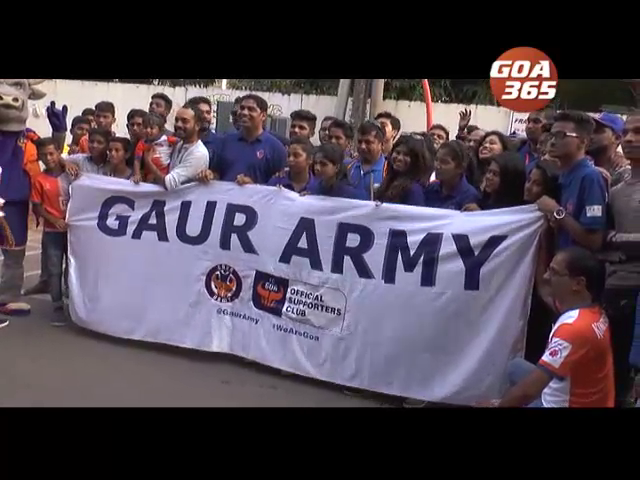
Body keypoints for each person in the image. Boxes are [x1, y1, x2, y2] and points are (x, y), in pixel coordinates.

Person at [480, 247, 614, 408]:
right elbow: (543, 289)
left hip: (564, 404)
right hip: (580, 393)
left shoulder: (574, 329)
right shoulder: (590, 310)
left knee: (516, 393)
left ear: (578, 284)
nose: (546, 276)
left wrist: (498, 405)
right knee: (514, 367)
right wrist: (542, 237)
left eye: (553, 272)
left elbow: (528, 392)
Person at [601, 112, 640, 407]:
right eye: (626, 132)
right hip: (613, 291)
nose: (629, 138)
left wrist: (614, 240)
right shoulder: (615, 189)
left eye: (638, 132)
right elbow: (599, 239)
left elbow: (608, 238)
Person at [536, 111, 607, 252]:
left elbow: (594, 241)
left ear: (583, 141)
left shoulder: (590, 177)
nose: (553, 141)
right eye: (552, 136)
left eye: (561, 135)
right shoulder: (560, 175)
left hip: (578, 268)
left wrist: (556, 212)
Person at [522, 160, 561, 364]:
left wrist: (545, 294)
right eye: (529, 180)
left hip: (538, 299)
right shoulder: (521, 215)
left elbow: (542, 264)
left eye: (537, 184)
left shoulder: (547, 223)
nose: (529, 187)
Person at [31, 138, 71, 326]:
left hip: (73, 233)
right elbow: (38, 208)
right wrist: (55, 220)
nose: (48, 158)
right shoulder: (40, 180)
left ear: (58, 153)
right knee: (54, 270)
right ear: (39, 157)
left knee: (72, 269)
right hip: (52, 232)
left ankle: (73, 303)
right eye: (44, 155)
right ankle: (57, 306)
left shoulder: (72, 175)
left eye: (52, 153)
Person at [209, 94, 287, 185]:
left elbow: (279, 186)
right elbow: (216, 173)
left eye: (251, 109)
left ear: (263, 116)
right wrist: (209, 175)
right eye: (242, 108)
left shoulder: (276, 148)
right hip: (226, 198)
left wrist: (253, 186)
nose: (244, 113)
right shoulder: (224, 142)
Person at [144, 104, 209, 191]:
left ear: (197, 125)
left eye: (184, 121)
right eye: (176, 120)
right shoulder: (179, 144)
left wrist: (148, 162)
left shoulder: (198, 153)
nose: (178, 124)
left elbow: (168, 183)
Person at [424, 140, 480, 210]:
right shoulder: (431, 188)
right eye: (436, 160)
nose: (437, 166)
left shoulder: (469, 195)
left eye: (444, 162)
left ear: (460, 168)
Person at [375, 135, 429, 206]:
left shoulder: (414, 190)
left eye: (406, 155)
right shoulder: (388, 182)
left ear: (416, 160)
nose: (399, 158)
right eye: (397, 152)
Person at [587, 112, 630, 189]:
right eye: (588, 130)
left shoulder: (624, 173)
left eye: (597, 131)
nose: (590, 135)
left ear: (617, 138)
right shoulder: (578, 163)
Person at [133, 112, 179, 183]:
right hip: (149, 174)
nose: (148, 130)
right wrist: (137, 174)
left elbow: (182, 142)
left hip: (166, 173)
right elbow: (137, 160)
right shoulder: (142, 143)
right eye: (145, 127)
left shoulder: (167, 139)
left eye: (152, 128)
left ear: (160, 130)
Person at [347, 121, 387, 200]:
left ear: (381, 145)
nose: (362, 146)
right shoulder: (347, 167)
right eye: (359, 142)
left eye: (368, 142)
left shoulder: (388, 171)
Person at [185, 96, 221, 166]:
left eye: (208, 113)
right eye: (200, 112)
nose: (205, 116)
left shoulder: (219, 143)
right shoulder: (180, 141)